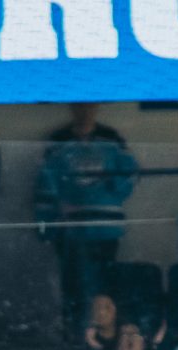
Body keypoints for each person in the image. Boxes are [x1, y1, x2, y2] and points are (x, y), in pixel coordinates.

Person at [33, 104, 137, 330]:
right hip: (71, 229)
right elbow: (45, 184)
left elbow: (130, 175)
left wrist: (112, 185)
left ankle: (104, 336)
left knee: (104, 285)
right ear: (71, 107)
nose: (85, 109)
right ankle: (75, 338)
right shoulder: (58, 140)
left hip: (105, 227)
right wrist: (46, 226)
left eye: (90, 105)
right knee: (74, 286)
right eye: (79, 104)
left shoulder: (111, 138)